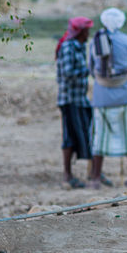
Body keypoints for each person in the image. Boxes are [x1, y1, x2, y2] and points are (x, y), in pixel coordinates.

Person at [87, 8, 127, 189]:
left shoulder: (94, 42)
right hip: (126, 95)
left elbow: (91, 69)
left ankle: (96, 177)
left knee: (100, 137)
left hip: (102, 96)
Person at [55, 16, 94, 189]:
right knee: (69, 137)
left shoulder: (79, 46)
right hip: (70, 99)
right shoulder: (68, 47)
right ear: (81, 31)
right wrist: (88, 70)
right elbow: (68, 72)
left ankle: (92, 173)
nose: (89, 33)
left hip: (79, 99)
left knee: (84, 134)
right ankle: (67, 175)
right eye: (87, 30)